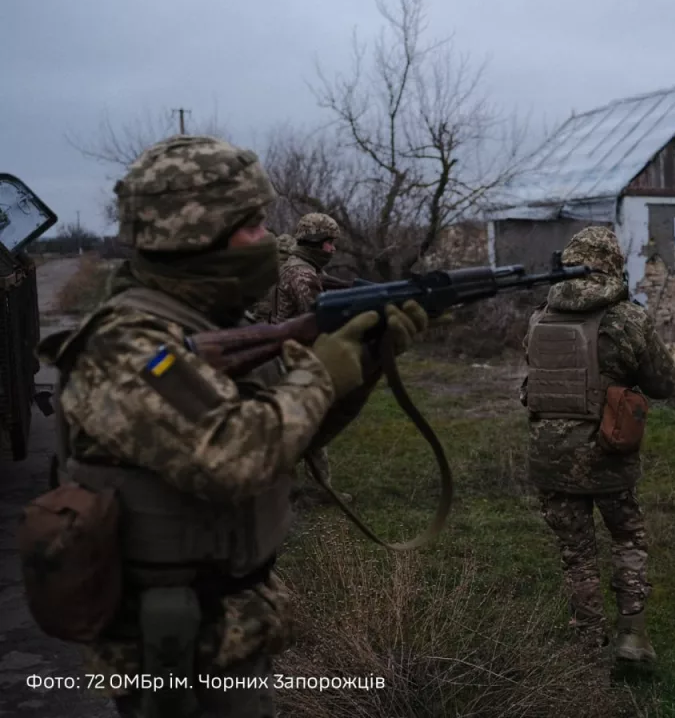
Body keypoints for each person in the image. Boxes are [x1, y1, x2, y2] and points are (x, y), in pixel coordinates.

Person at [34, 134, 430, 717]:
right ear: (195, 235)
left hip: (225, 628)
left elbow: (288, 438)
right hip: (171, 649)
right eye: (252, 225)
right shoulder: (127, 343)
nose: (269, 240)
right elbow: (233, 457)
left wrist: (365, 366)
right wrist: (321, 376)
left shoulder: (207, 322)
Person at [520, 226, 675, 663]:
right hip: (609, 452)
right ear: (613, 262)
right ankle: (632, 636)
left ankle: (587, 641)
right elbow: (663, 383)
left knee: (577, 554)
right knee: (627, 538)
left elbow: (530, 382)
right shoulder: (628, 318)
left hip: (551, 456)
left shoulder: (540, 315)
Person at [268, 212, 346, 504]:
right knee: (309, 424)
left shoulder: (301, 267)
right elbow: (319, 315)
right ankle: (311, 490)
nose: (333, 249)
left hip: (287, 356)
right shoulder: (302, 273)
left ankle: (314, 488)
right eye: (329, 243)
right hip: (289, 359)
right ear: (315, 241)